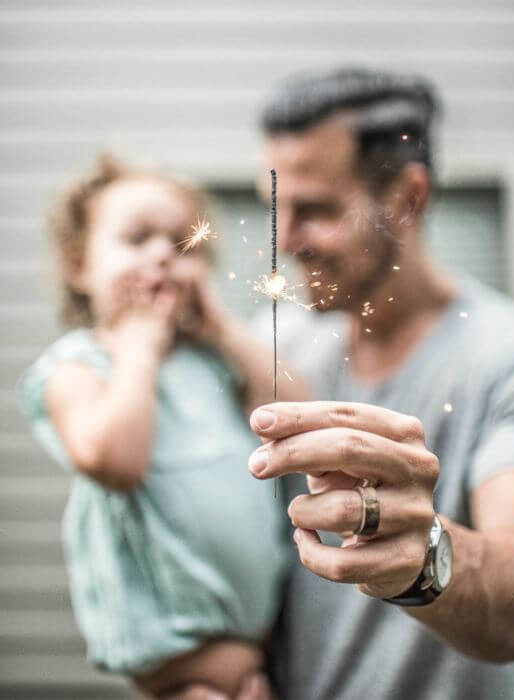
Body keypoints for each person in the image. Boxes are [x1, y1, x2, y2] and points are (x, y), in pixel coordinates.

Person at [243, 68, 514, 700]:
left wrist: (423, 556)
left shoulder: (510, 358)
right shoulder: (280, 347)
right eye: (276, 209)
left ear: (407, 199)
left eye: (314, 209)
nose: (286, 242)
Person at [21, 154, 303, 698]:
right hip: (180, 669)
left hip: (261, 657)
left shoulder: (211, 360)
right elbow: (112, 461)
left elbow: (299, 410)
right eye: (137, 239)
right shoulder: (79, 365)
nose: (162, 255)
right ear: (79, 265)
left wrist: (221, 327)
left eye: (183, 243)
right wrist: (139, 349)